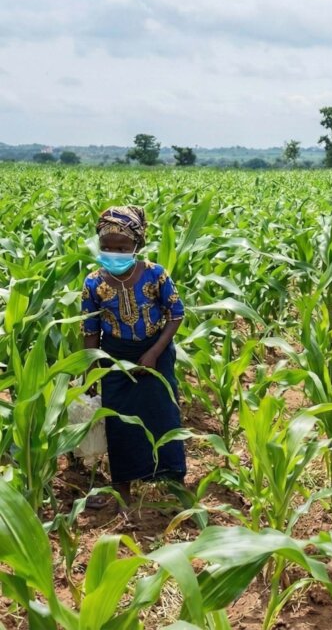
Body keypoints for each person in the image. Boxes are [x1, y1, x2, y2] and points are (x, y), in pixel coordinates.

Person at [80, 206, 187, 511]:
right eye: (107, 248)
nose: (114, 253)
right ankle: (121, 490)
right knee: (118, 423)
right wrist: (92, 371)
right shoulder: (93, 284)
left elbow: (176, 314)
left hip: (156, 353)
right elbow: (90, 330)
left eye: (122, 248)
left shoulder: (156, 274)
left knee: (163, 414)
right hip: (115, 359)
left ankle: (173, 484)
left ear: (137, 246)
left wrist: (153, 353)